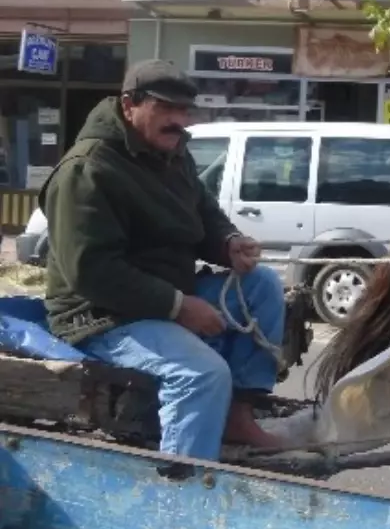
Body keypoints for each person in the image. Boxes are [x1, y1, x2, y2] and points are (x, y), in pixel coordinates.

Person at [39, 59, 286, 462]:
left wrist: (228, 243)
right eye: (165, 108)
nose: (178, 120)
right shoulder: (88, 170)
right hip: (101, 315)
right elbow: (91, 271)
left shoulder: (171, 151)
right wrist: (176, 306)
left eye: (184, 110)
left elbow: (203, 212)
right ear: (128, 105)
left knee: (262, 285)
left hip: (165, 291)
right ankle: (181, 487)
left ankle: (238, 416)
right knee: (202, 374)